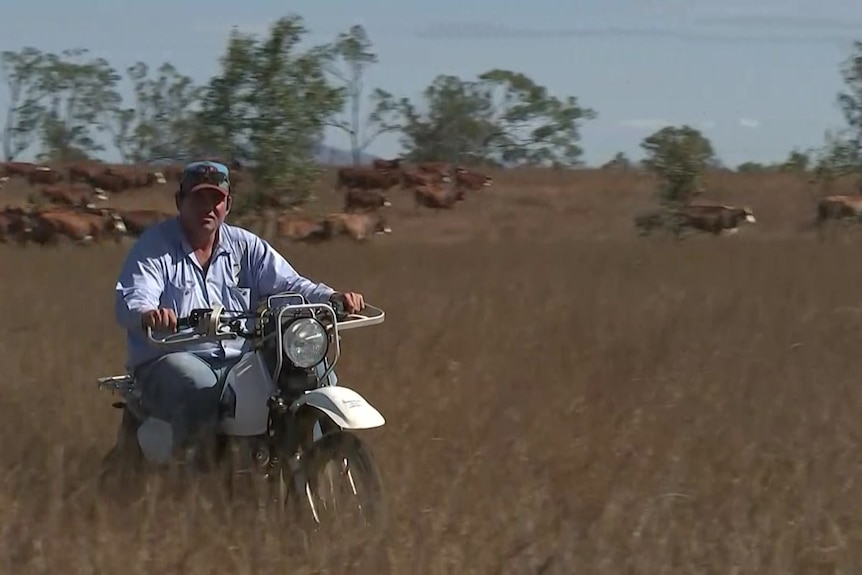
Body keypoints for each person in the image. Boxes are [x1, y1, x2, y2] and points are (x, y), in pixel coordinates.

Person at [114, 160, 365, 467]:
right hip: (172, 355)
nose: (208, 207)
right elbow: (134, 295)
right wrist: (149, 313)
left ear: (228, 204)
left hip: (239, 357)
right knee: (199, 385)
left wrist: (332, 297)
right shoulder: (155, 247)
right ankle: (194, 480)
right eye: (198, 199)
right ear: (181, 202)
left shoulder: (245, 246)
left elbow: (289, 284)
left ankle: (302, 460)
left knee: (312, 373)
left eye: (216, 199)